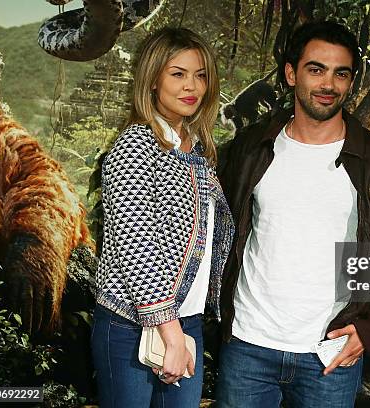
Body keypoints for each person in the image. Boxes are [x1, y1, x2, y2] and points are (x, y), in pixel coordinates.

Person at [216, 21, 370, 407]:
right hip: (248, 346)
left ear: (350, 82)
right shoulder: (251, 148)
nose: (328, 84)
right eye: (316, 69)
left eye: (340, 73)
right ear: (292, 73)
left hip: (330, 353)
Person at [91, 28, 234, 408]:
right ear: (153, 80)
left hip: (187, 322)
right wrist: (170, 334)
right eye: (178, 73)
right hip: (133, 325)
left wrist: (181, 330)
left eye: (200, 75)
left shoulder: (197, 149)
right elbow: (137, 247)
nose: (192, 86)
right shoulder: (136, 144)